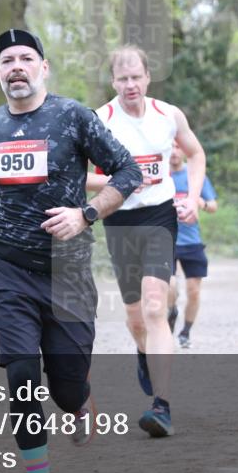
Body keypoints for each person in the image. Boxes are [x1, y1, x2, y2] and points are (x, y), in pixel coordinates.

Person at [0, 28, 141, 473]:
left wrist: (86, 214)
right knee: (20, 376)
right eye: (7, 61)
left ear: (43, 67)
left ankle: (80, 402)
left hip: (69, 272)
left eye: (26, 58)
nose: (16, 66)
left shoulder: (73, 116)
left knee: (64, 387)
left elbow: (129, 173)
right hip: (9, 270)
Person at [88, 45, 206, 438]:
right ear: (113, 82)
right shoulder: (99, 120)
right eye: (122, 79)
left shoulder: (168, 115)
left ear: (147, 77)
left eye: (136, 77)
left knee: (155, 308)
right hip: (119, 219)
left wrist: (190, 197)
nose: (130, 85)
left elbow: (195, 153)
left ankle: (161, 406)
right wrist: (118, 180)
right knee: (136, 319)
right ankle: (144, 351)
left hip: (159, 216)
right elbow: (79, 176)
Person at [166, 141, 218, 348]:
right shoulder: (160, 176)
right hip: (165, 239)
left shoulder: (195, 176)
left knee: (194, 291)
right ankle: (171, 312)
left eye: (178, 147)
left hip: (191, 241)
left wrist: (200, 203)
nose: (174, 151)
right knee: (169, 287)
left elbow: (213, 206)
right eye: (170, 147)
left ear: (185, 152)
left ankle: (185, 332)